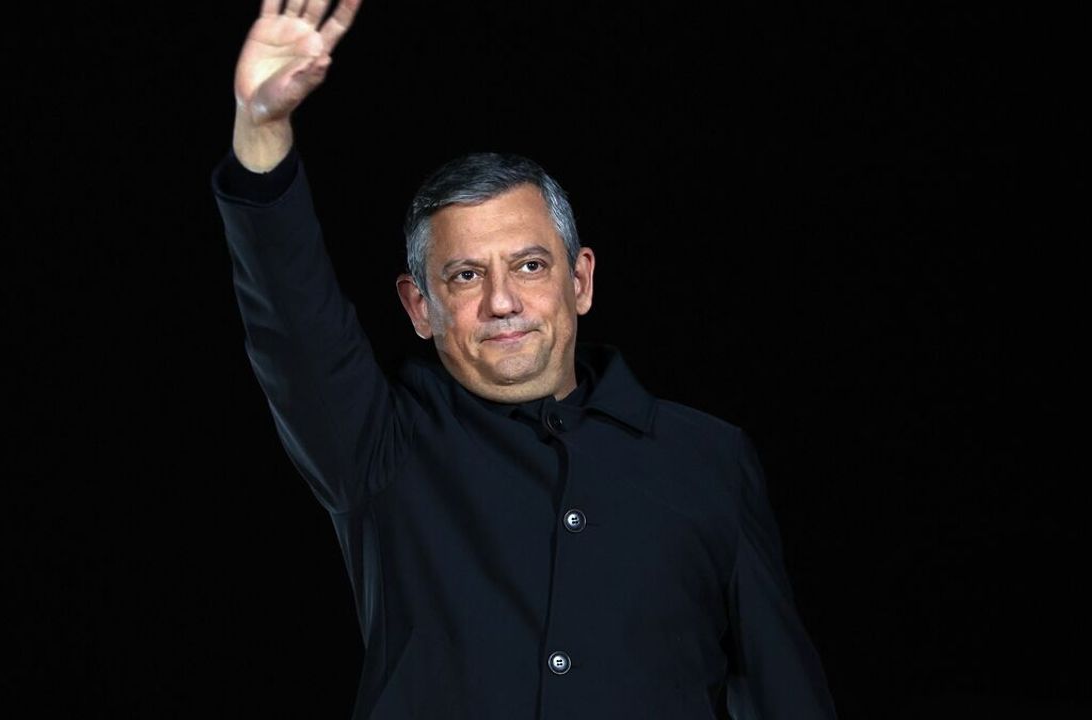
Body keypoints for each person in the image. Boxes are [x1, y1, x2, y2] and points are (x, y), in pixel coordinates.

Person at [211, 1, 838, 718]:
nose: (502, 301)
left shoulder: (709, 460)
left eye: (530, 265)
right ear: (420, 307)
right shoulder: (382, 448)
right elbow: (294, 325)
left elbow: (784, 694)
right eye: (465, 276)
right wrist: (261, 131)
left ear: (581, 280)